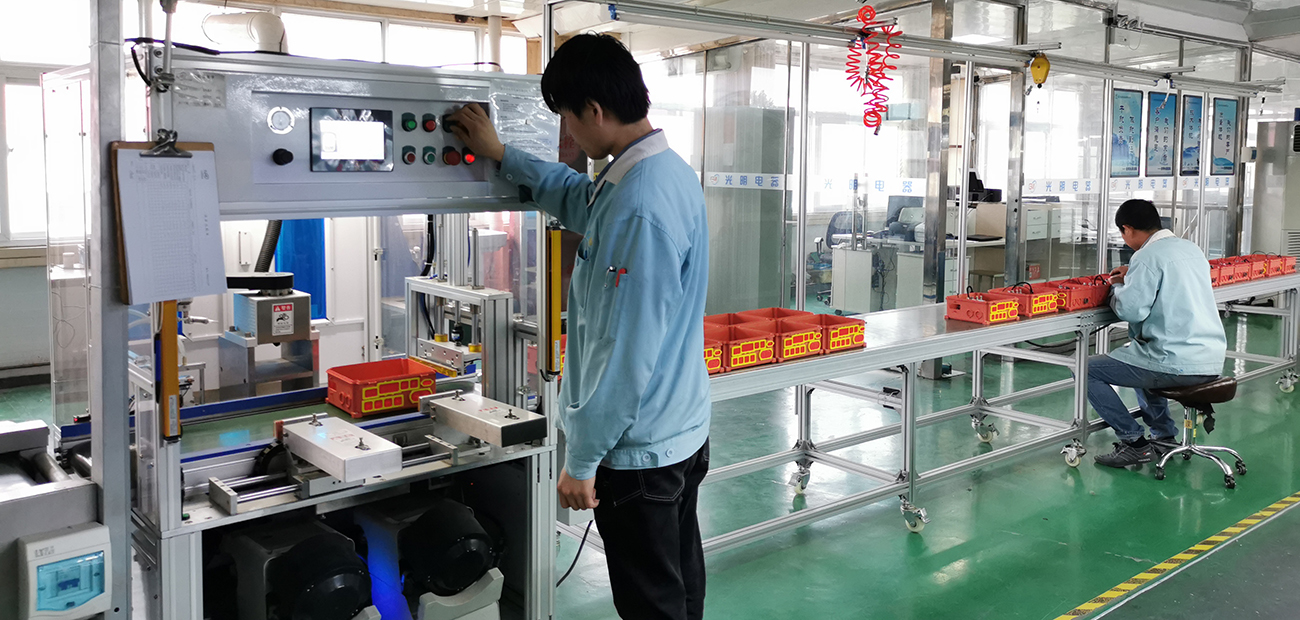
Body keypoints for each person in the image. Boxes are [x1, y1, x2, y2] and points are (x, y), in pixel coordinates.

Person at [448, 33, 711, 620]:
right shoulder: (656, 173)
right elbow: (577, 199)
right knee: (679, 590)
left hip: (639, 455)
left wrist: (583, 461)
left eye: (566, 117)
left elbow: (624, 353)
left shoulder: (639, 207)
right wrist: (502, 153)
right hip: (678, 431)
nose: (566, 132)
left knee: (652, 605)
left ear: (594, 110)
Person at [1087, 199, 1226, 468]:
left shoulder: (1146, 256)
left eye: (1122, 233)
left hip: (1175, 360)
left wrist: (1116, 288)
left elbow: (1131, 310)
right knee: (1137, 357)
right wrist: (1134, 275)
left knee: (1086, 370)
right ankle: (1163, 437)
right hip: (1209, 357)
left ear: (1128, 229)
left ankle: (1133, 442)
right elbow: (1172, 280)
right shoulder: (1191, 248)